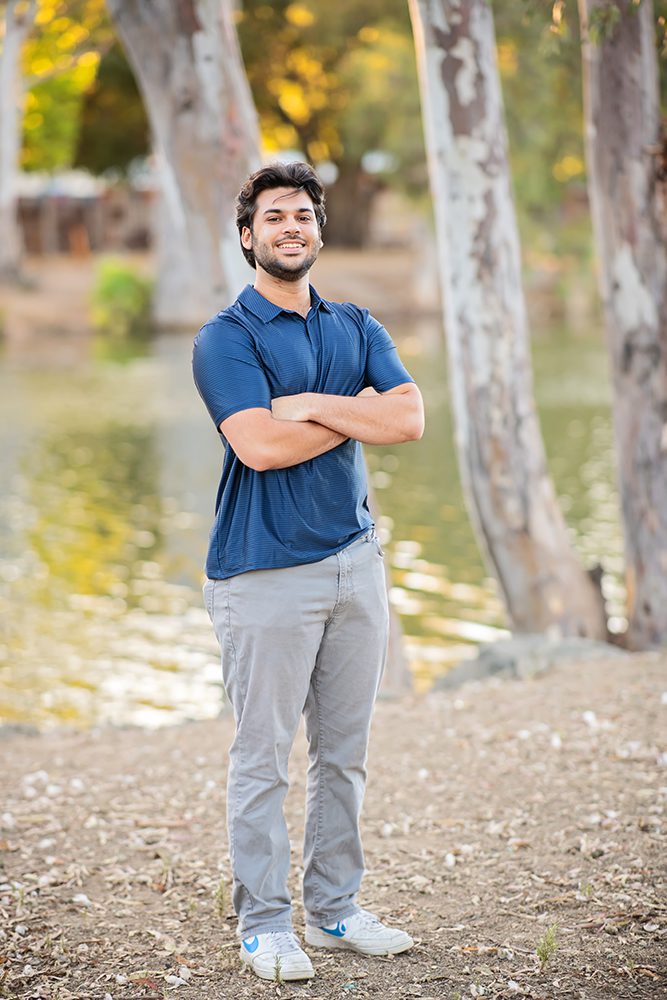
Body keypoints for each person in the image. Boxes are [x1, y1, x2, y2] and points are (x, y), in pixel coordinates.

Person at [192, 161, 424, 983]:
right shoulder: (227, 336)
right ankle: (263, 925)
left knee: (343, 754)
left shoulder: (354, 322)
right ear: (249, 236)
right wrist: (354, 413)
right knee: (263, 760)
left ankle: (332, 910)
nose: (291, 228)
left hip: (355, 565)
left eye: (303, 215)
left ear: (318, 231)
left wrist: (312, 405)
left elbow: (411, 417)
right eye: (274, 217)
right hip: (261, 577)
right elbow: (257, 445)